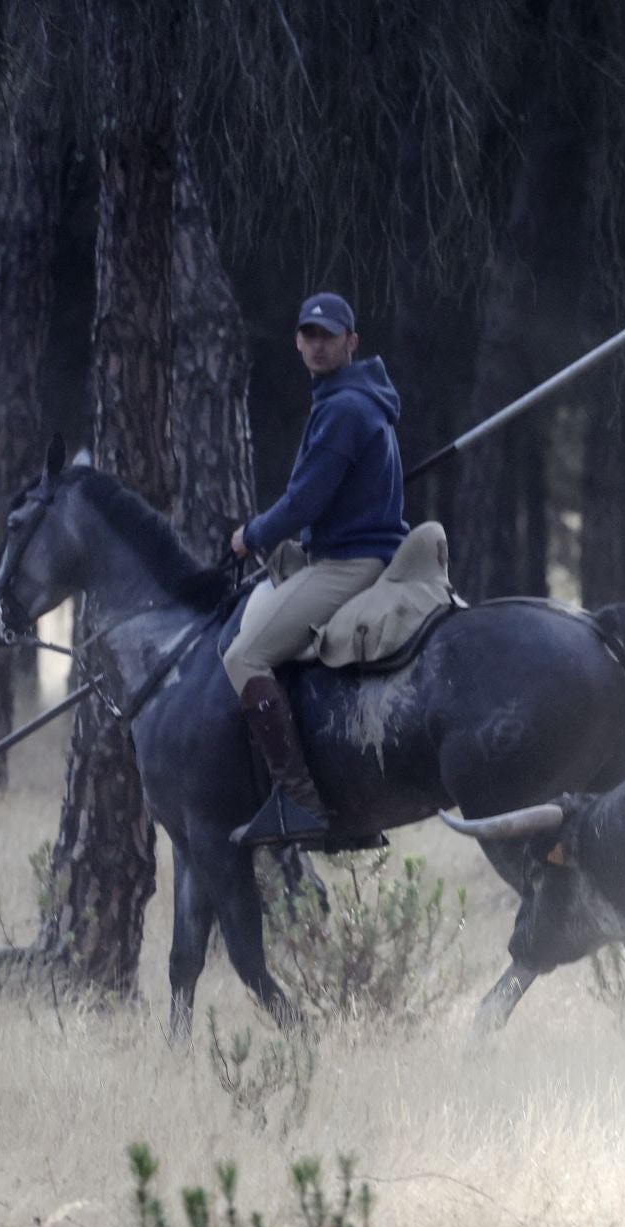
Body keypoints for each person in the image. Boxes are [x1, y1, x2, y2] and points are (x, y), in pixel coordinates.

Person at [223, 292, 408, 847]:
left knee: (243, 654)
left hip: (351, 562)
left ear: (351, 342)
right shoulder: (351, 400)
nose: (317, 344)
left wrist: (249, 536)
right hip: (354, 551)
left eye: (328, 335)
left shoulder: (344, 409)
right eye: (309, 334)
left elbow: (302, 503)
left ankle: (298, 802)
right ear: (298, 340)